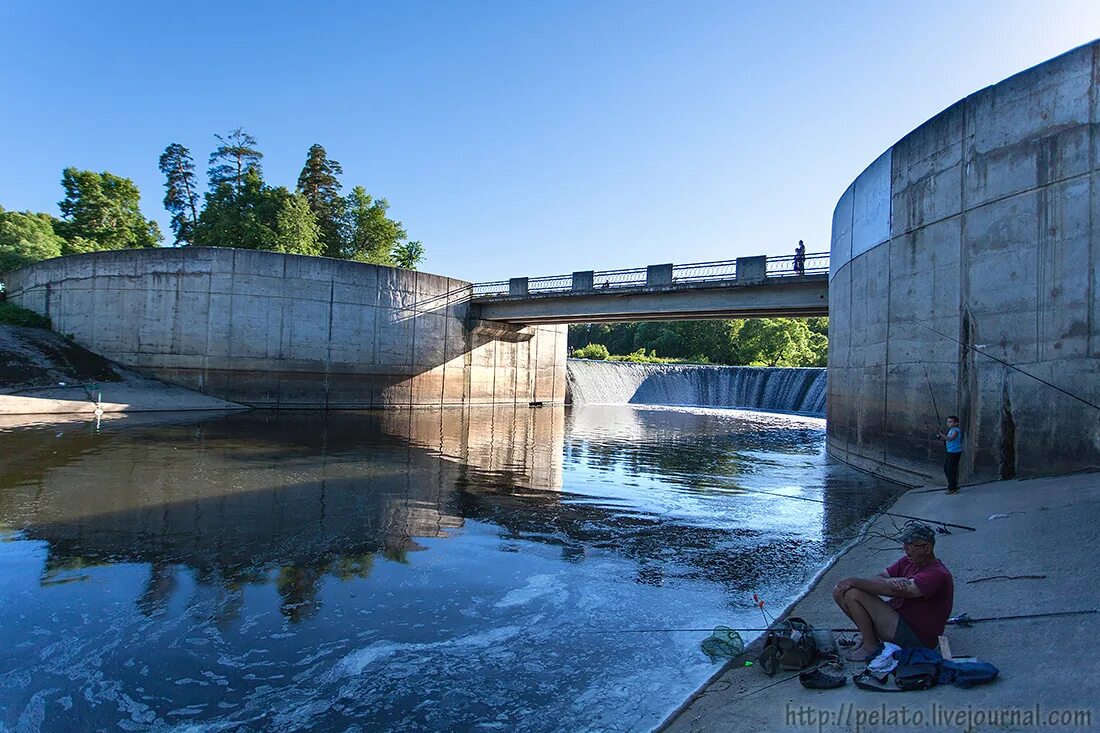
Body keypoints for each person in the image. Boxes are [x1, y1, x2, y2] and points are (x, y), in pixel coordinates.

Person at [831, 522, 954, 662]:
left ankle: (870, 646)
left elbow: (901, 591)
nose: (905, 548)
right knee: (839, 591)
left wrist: (853, 581)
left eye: (911, 544)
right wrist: (893, 579)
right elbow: (879, 577)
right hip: (898, 620)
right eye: (904, 543)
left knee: (854, 593)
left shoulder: (937, 574)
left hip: (917, 637)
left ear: (927, 548)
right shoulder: (908, 561)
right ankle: (869, 638)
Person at [936, 415, 963, 494]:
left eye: (950, 422)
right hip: (950, 452)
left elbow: (950, 439)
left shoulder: (956, 431)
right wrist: (940, 437)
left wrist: (941, 434)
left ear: (956, 423)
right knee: (947, 469)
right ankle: (953, 484)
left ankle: (952, 488)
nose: (948, 423)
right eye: (947, 422)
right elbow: (947, 439)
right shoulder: (951, 430)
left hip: (954, 453)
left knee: (950, 470)